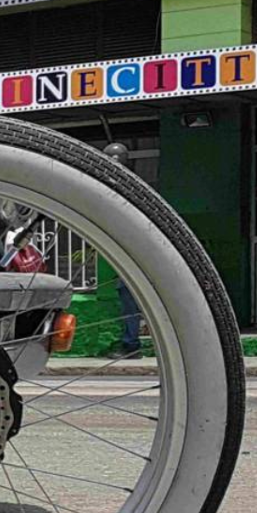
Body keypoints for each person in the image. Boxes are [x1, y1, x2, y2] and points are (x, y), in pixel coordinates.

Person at [104, 142, 143, 358]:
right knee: (129, 297)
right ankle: (131, 343)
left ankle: (131, 345)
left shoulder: (121, 186)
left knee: (129, 297)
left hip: (133, 251)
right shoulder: (131, 184)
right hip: (132, 249)